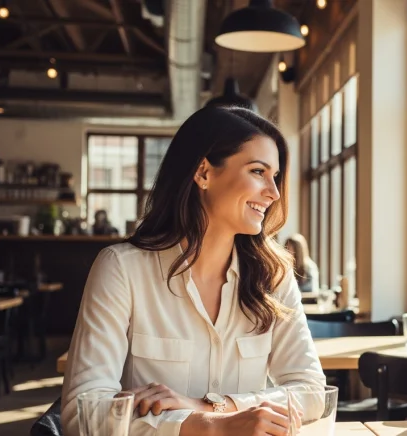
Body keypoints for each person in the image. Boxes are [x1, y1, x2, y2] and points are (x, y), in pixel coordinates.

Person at [61, 106, 325, 436]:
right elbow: (82, 412)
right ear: (203, 173)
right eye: (258, 171)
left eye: (275, 176)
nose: (273, 193)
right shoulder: (121, 269)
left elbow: (313, 392)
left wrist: (213, 406)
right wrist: (209, 427)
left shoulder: (274, 276)